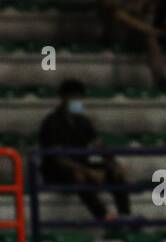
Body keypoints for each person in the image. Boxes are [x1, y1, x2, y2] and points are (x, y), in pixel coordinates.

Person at [38, 79, 132, 221]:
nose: (78, 101)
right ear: (63, 98)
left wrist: (113, 162)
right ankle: (104, 216)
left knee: (115, 173)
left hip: (82, 165)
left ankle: (125, 215)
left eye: (80, 97)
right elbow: (58, 158)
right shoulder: (51, 122)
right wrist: (88, 171)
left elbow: (99, 145)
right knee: (78, 176)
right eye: (74, 97)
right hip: (57, 171)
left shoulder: (83, 122)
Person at [95, 0, 165, 87]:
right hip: (114, 29)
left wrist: (146, 4)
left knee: (150, 38)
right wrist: (127, 5)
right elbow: (106, 5)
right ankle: (150, 30)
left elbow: (143, 8)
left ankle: (160, 78)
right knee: (120, 14)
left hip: (134, 31)